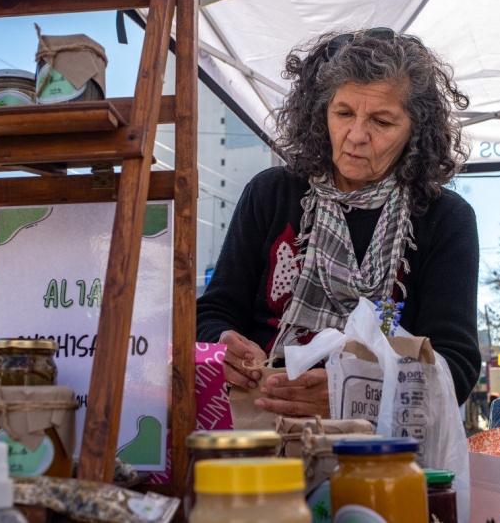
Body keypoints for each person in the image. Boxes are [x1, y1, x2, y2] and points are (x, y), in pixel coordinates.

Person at [196, 28, 481, 417]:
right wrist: (220, 342)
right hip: (259, 427)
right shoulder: (271, 194)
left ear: (416, 131)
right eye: (343, 113)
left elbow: (457, 366)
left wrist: (357, 393)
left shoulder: (445, 218)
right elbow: (212, 313)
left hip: (381, 450)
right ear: (320, 113)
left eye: (382, 121)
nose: (356, 135)